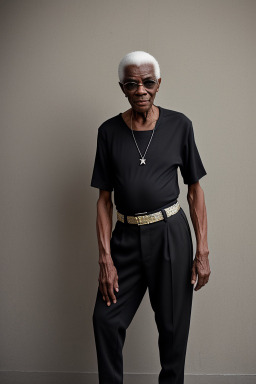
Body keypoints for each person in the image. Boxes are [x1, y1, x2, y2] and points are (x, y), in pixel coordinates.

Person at [90, 51, 211, 384]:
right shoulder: (108, 132)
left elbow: (194, 190)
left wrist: (202, 250)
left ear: (158, 84)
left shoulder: (180, 125)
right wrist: (105, 258)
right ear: (122, 88)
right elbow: (103, 200)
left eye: (147, 82)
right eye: (132, 84)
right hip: (125, 239)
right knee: (105, 320)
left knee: (173, 331)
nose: (140, 89)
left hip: (170, 235)